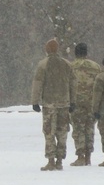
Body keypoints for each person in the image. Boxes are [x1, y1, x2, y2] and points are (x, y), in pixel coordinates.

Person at [30, 38, 76, 171]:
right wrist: (73, 101)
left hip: (49, 103)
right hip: (64, 103)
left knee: (49, 131)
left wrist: (35, 101)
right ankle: (60, 160)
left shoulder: (43, 65)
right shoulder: (67, 64)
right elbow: (73, 83)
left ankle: (51, 160)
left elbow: (37, 83)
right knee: (62, 132)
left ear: (47, 50)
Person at [69, 42, 102, 166]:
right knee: (89, 128)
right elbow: (99, 85)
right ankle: (88, 155)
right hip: (91, 102)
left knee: (78, 129)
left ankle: (80, 155)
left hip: (76, 101)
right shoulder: (95, 67)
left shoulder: (71, 66)